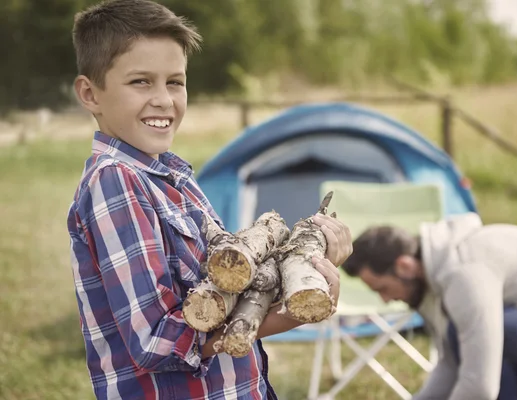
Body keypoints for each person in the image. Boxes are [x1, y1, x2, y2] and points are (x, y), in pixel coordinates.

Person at [66, 1, 353, 399]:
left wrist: (305, 270)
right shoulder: (116, 182)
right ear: (90, 93)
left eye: (175, 82)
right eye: (141, 82)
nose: (164, 99)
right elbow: (154, 339)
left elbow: (230, 283)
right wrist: (281, 320)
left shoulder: (172, 175)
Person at [342, 212, 517, 400]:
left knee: (473, 353)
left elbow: (480, 388)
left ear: (404, 267)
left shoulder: (462, 273)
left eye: (382, 289)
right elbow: (452, 364)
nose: (385, 300)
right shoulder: (434, 276)